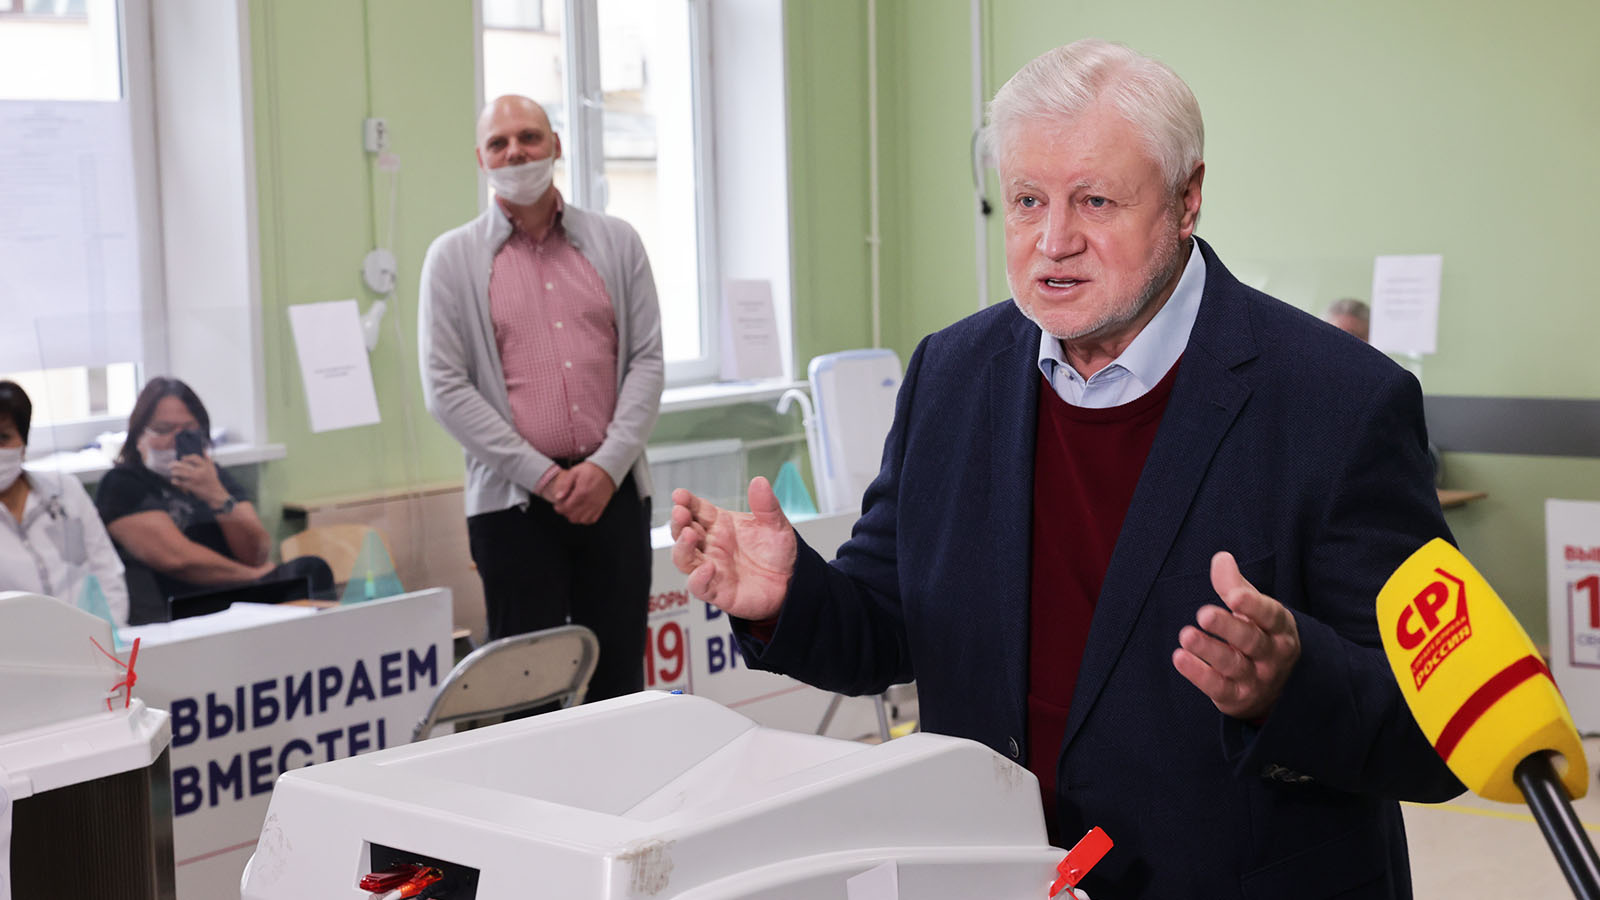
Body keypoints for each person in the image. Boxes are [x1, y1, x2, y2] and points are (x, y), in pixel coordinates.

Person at [672, 40, 1461, 898]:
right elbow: (889, 624)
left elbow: (1440, 729)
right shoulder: (951, 374)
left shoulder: (1340, 401)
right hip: (998, 875)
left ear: (1187, 198)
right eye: (1026, 201)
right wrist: (790, 596)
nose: (1054, 241)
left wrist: (1291, 686)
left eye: (1095, 200)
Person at [419, 95, 663, 705]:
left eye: (529, 137)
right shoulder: (451, 259)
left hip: (613, 495)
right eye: (498, 143)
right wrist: (547, 479)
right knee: (525, 693)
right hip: (514, 507)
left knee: (618, 685)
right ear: (481, 159)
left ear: (556, 145)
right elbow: (445, 388)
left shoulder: (617, 242)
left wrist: (605, 468)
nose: (515, 152)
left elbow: (647, 361)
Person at [96, 377, 331, 622]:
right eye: (163, 430)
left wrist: (217, 496)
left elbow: (257, 552)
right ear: (138, 436)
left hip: (233, 596)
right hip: (178, 604)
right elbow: (178, 559)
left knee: (311, 569)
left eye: (188, 431)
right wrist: (252, 577)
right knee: (303, 575)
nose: (175, 441)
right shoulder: (122, 484)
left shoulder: (213, 476)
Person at [0, 380, 129, 625]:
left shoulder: (64, 490)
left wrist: (107, 633)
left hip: (93, 637)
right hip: (16, 645)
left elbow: (107, 570)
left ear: (24, 443)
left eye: (3, 437)